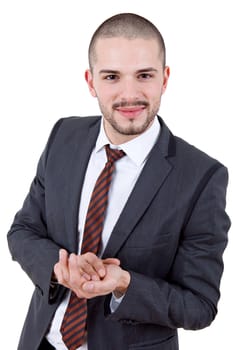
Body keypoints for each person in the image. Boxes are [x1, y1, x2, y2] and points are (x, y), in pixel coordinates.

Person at [7, 12, 231, 350]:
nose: (130, 94)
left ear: (165, 79)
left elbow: (199, 306)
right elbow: (22, 231)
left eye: (144, 75)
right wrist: (59, 268)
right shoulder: (63, 136)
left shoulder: (202, 177)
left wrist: (124, 284)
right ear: (90, 81)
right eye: (112, 76)